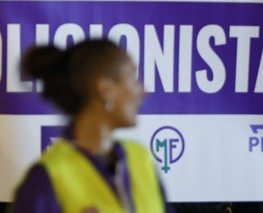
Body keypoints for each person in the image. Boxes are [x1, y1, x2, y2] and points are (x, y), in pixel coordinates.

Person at [13, 39, 168, 212]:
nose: (143, 90)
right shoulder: (47, 177)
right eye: (132, 77)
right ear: (105, 89)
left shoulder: (141, 158)